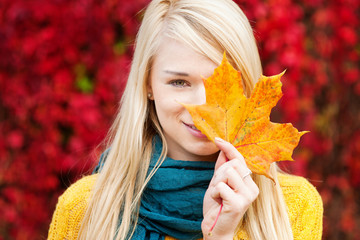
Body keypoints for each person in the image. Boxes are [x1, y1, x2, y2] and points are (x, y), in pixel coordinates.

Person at [48, 0, 323, 239]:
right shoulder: (85, 209)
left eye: (219, 84)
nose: (201, 106)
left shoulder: (292, 208)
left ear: (248, 87)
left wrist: (221, 237)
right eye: (179, 82)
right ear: (148, 85)